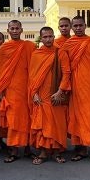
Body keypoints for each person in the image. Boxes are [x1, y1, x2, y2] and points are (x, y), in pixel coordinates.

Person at [64, 16, 90, 163]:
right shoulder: (68, 44)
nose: (78, 28)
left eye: (80, 25)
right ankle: (81, 149)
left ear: (85, 25)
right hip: (75, 85)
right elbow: (65, 68)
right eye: (75, 26)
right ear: (72, 27)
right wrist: (65, 87)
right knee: (77, 117)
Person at [28, 26, 72, 164]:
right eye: (45, 37)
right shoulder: (36, 54)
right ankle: (42, 153)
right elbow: (32, 76)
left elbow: (67, 73)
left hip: (55, 94)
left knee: (58, 123)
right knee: (42, 123)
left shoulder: (61, 52)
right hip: (41, 94)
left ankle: (57, 151)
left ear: (54, 37)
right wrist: (33, 93)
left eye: (50, 36)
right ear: (41, 38)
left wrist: (60, 91)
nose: (48, 39)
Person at [0, 19, 36, 163]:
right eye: (12, 28)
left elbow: (34, 68)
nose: (14, 31)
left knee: (28, 118)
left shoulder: (30, 46)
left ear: (21, 30)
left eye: (17, 28)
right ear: (8, 31)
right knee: (13, 118)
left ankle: (27, 149)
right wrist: (0, 89)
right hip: (11, 88)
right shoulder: (4, 48)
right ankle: (13, 149)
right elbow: (0, 69)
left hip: (27, 86)